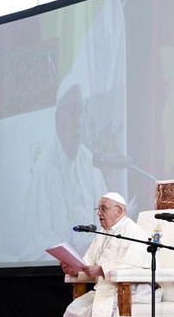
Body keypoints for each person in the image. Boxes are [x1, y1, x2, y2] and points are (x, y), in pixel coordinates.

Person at [61, 192, 157, 317]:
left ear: (119, 210)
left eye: (103, 208)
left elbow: (138, 266)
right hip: (106, 289)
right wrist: (75, 269)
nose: (99, 214)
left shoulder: (134, 232)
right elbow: (88, 265)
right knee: (73, 312)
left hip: (129, 291)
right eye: (98, 209)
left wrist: (103, 269)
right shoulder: (104, 234)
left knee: (97, 311)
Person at [22, 80, 109, 260]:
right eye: (74, 113)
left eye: (81, 112)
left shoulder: (87, 160)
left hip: (92, 263)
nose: (79, 123)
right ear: (58, 118)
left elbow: (107, 218)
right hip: (58, 272)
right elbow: (41, 242)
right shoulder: (44, 169)